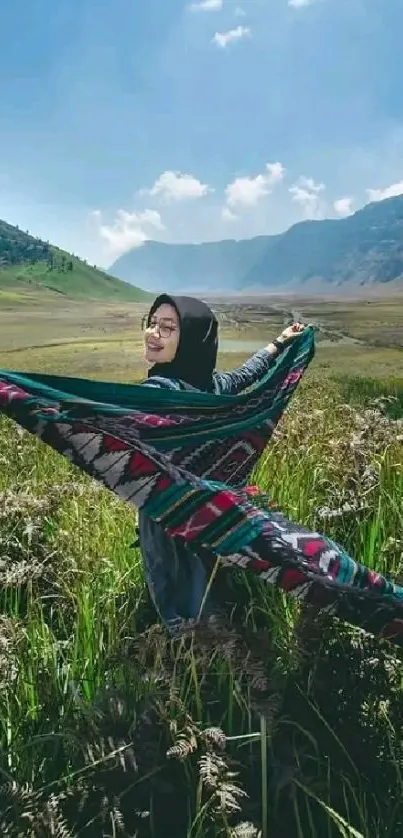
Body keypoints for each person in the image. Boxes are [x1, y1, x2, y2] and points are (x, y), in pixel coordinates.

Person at [137, 293, 306, 633]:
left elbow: (245, 374)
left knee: (174, 581)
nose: (153, 333)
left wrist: (278, 343)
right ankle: (219, 641)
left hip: (167, 514)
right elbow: (243, 376)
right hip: (212, 506)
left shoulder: (163, 390)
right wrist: (279, 344)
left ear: (193, 341)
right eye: (152, 323)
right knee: (206, 574)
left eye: (167, 327)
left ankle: (192, 654)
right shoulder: (210, 386)